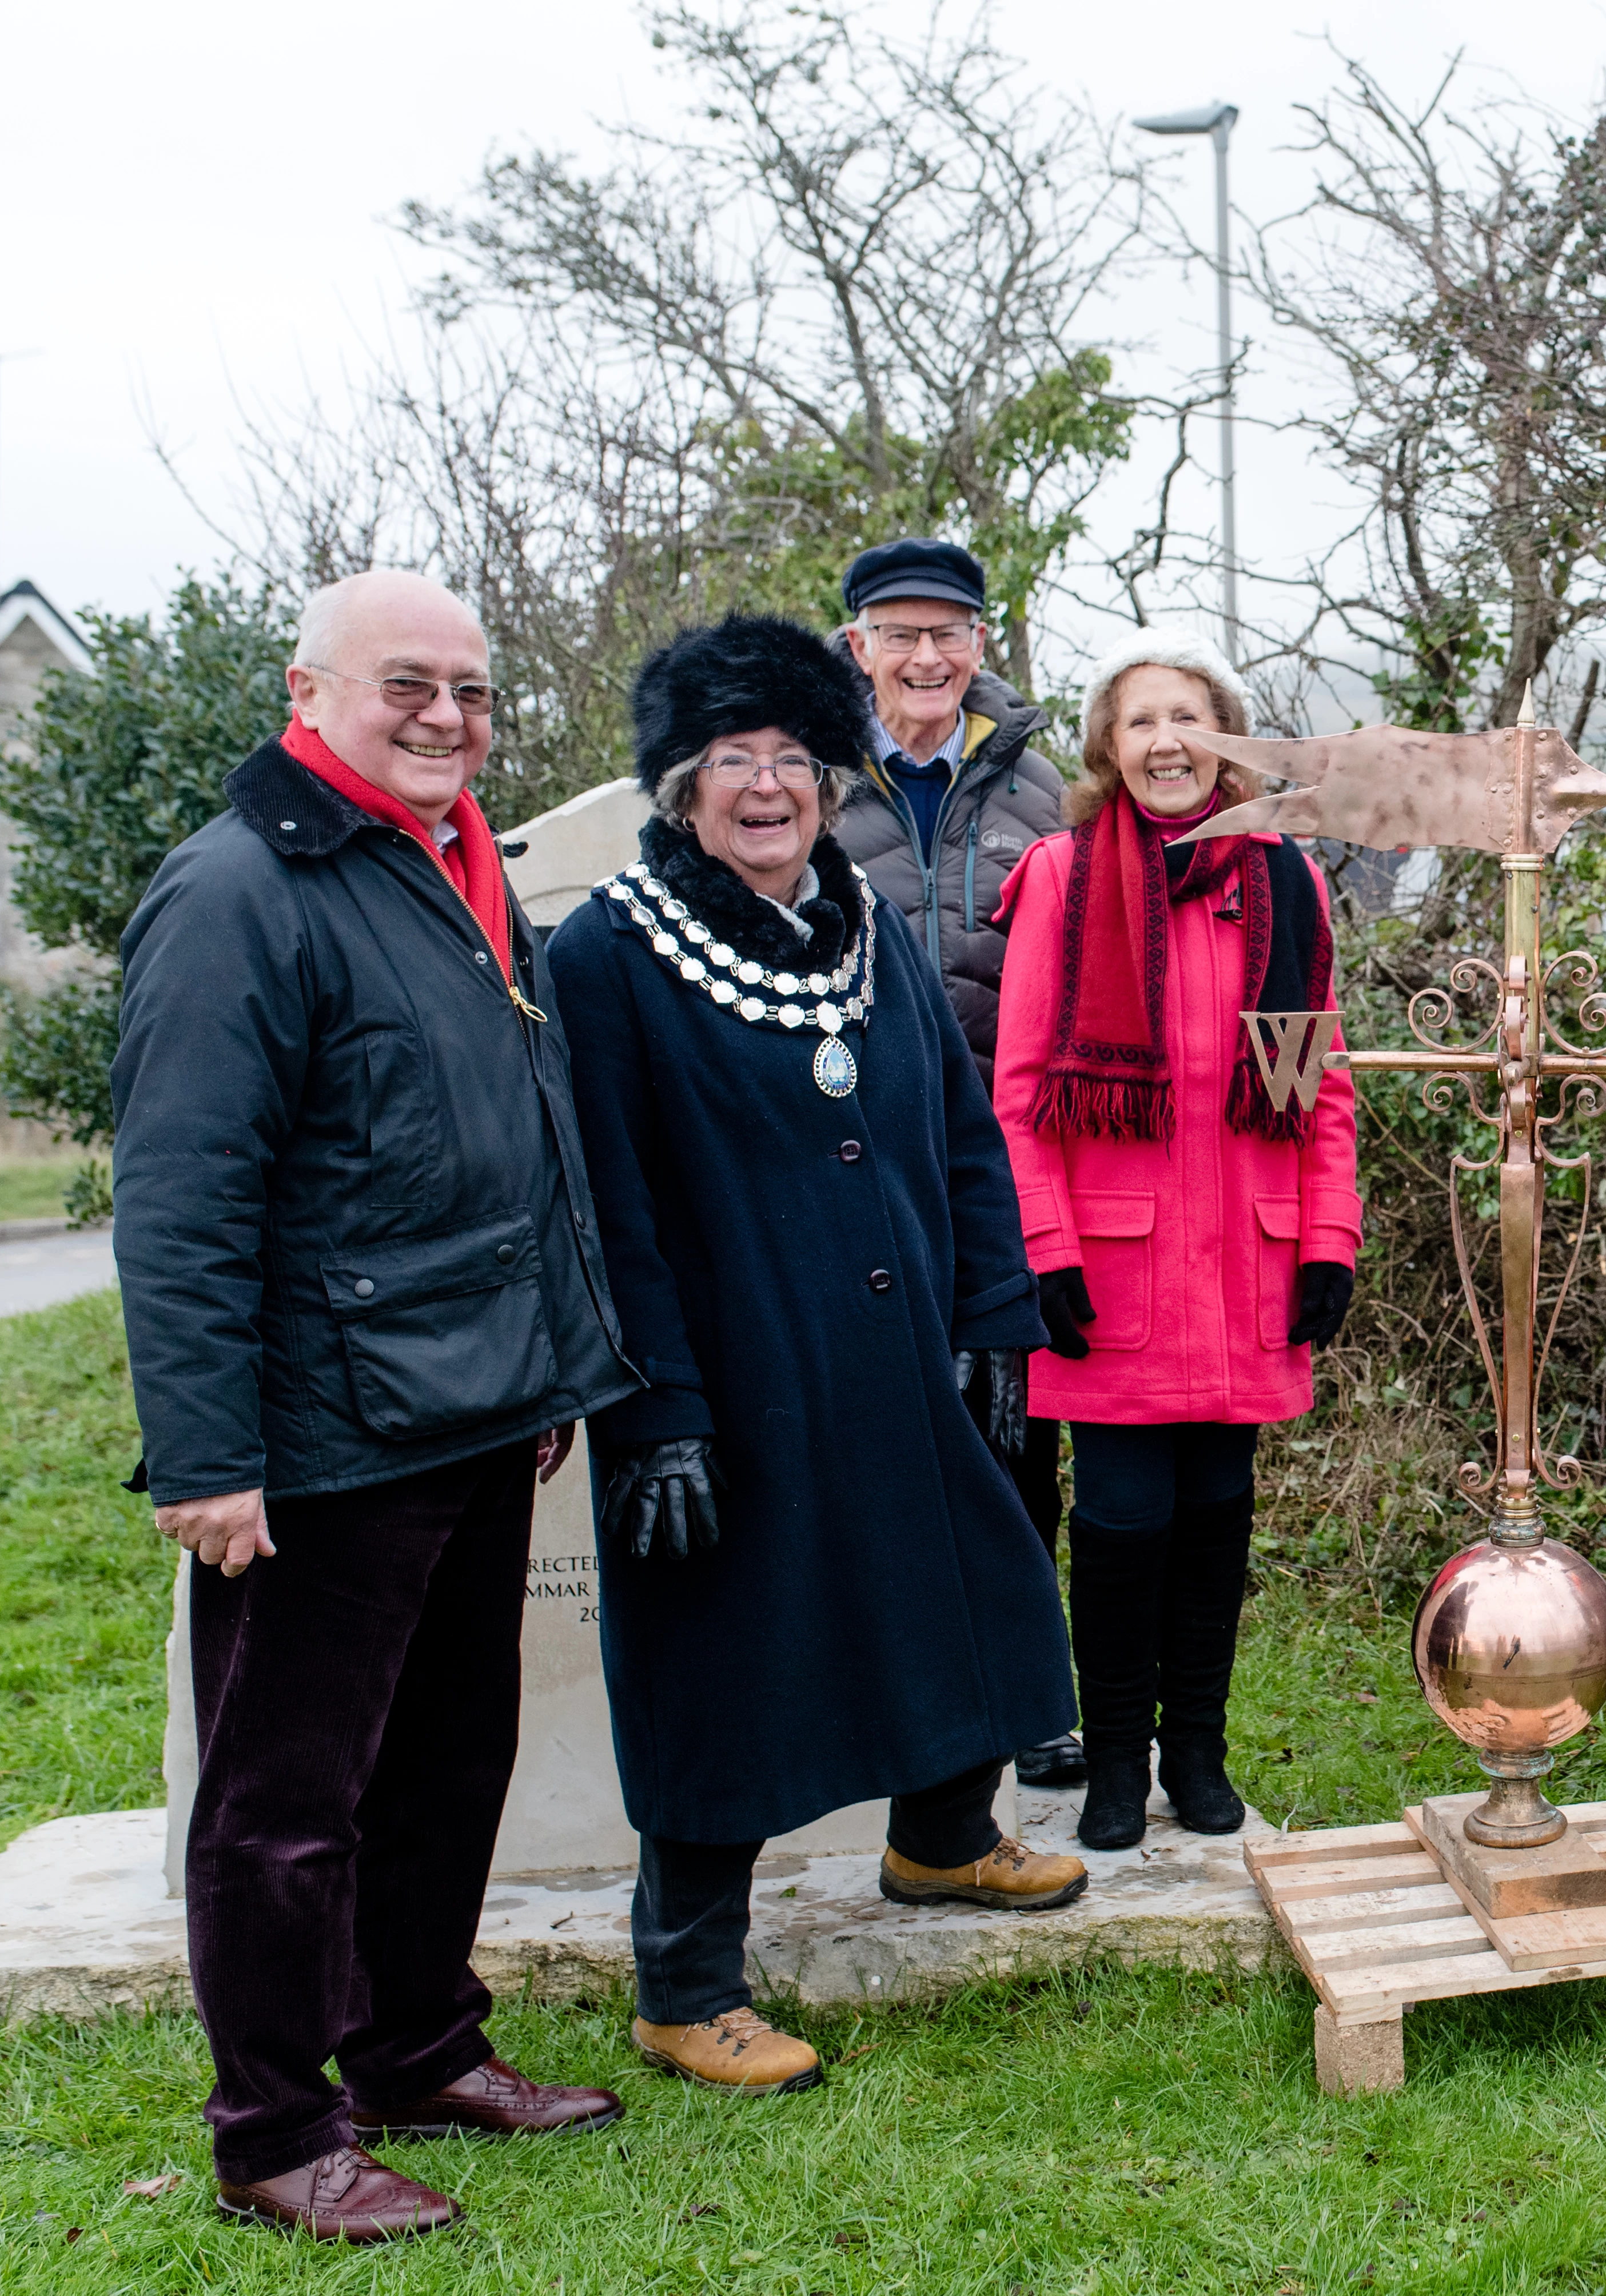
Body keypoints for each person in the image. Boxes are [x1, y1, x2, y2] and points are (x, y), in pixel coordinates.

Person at [113, 569, 637, 2242]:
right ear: (311, 690)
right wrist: (206, 1455)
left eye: (472, 693)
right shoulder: (241, 890)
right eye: (408, 684)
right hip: (325, 1433)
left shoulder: (453, 863)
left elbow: (505, 1140)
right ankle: (276, 2133)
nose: (448, 717)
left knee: (444, 1764)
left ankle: (415, 2048)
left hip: (479, 1408)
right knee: (286, 1809)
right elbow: (185, 1195)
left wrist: (551, 1367)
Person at [548, 613, 1086, 2098]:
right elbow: (611, 1203)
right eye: (737, 762)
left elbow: (964, 1134)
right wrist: (657, 1409)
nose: (770, 788)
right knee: (727, 1654)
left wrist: (992, 1313)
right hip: (729, 1383)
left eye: (794, 758)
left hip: (902, 1344)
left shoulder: (861, 928)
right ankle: (686, 1984)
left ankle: (944, 1838)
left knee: (957, 1584)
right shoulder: (606, 955)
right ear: (682, 786)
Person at [990, 627, 1363, 1854]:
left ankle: (1197, 1753)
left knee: (1217, 1516)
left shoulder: (1284, 885)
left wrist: (1328, 1239)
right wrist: (1043, 1247)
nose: (1168, 744)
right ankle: (1113, 1763)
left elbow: (1320, 1088)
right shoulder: (1062, 876)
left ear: (1227, 745)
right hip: (1115, 1273)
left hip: (1247, 1268)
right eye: (1143, 720)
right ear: (1107, 742)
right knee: (1119, 1527)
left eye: (1192, 720)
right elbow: (1023, 1086)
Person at [834, 537, 1082, 1784]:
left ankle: (1025, 1696)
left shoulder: (1043, 791)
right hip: (846, 1162)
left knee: (1014, 1442)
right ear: (857, 646)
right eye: (899, 633)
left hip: (1001, 1166)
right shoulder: (802, 783)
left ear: (982, 645)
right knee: (867, 1436)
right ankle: (878, 1700)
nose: (926, 657)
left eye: (950, 633)